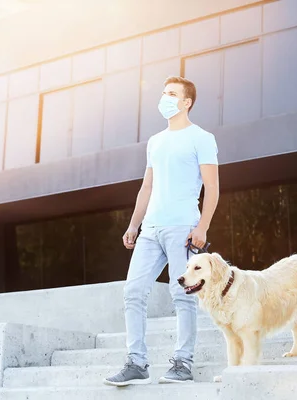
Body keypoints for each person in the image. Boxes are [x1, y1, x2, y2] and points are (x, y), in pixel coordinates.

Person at [103, 76, 220, 386]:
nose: (164, 97)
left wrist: (202, 226)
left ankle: (183, 363)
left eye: (171, 93)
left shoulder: (201, 138)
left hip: (183, 228)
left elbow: (212, 187)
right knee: (133, 292)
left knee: (182, 294)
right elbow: (147, 186)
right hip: (150, 230)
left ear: (186, 102)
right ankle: (136, 363)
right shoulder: (155, 141)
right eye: (163, 92)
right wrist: (133, 225)